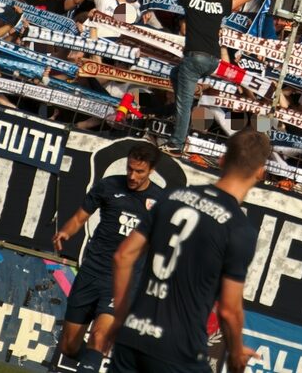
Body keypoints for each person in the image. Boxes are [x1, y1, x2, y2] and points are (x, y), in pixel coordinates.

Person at [107, 128, 272, 373]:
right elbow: (229, 309)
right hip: (179, 348)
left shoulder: (174, 196)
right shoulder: (240, 229)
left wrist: (121, 318)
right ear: (260, 172)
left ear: (221, 160)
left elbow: (123, 256)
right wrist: (236, 352)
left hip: (132, 336)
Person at [51, 145, 165, 373]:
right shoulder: (108, 185)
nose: (132, 176)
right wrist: (65, 232)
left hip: (123, 282)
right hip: (91, 273)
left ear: (151, 170)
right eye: (130, 169)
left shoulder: (161, 202)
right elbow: (79, 218)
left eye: (140, 172)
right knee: (69, 347)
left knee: (100, 336)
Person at [147, 0, 271, 153]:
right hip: (213, 61)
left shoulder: (191, 0)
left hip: (194, 60)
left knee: (183, 104)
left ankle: (176, 144)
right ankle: (187, 102)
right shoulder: (220, 5)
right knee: (175, 74)